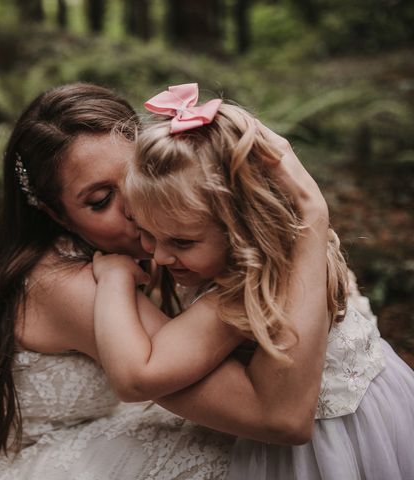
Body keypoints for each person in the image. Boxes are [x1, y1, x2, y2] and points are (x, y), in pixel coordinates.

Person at [0, 82, 371, 480]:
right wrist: (302, 232)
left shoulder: (161, 228)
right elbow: (278, 417)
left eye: (136, 177)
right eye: (99, 200)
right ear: (57, 215)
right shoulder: (73, 285)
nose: (136, 209)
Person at [91, 83, 414, 479]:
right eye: (146, 233)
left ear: (242, 227)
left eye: (181, 241)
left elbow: (137, 377)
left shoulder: (243, 293)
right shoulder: (293, 255)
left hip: (328, 451)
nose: (157, 256)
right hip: (386, 406)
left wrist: (112, 280)